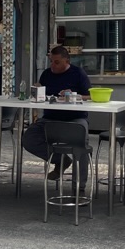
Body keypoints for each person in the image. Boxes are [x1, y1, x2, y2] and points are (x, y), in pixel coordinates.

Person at [22, 45, 91, 188]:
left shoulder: (78, 73)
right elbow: (42, 96)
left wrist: (74, 96)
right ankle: (61, 159)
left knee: (81, 143)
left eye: (57, 62)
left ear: (67, 61)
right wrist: (37, 90)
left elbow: (89, 96)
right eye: (51, 61)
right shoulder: (47, 74)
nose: (53, 65)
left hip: (75, 119)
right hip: (50, 118)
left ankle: (79, 186)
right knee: (29, 138)